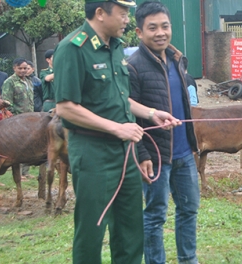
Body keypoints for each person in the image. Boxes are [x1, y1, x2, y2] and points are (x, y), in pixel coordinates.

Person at [52, 1, 181, 263]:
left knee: (130, 228)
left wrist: (151, 113)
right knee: (92, 229)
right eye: (122, 14)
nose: (126, 20)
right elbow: (66, 107)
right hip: (92, 151)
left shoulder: (116, 46)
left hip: (125, 151)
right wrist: (116, 128)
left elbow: (120, 100)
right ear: (100, 13)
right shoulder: (73, 48)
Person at [127, 2, 200, 264]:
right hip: (156, 154)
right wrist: (142, 152)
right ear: (139, 32)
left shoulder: (178, 59)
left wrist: (192, 144)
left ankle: (188, 259)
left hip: (184, 152)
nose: (160, 32)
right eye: (152, 28)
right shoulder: (133, 65)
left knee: (189, 209)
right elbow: (129, 113)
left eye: (165, 26)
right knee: (155, 215)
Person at [2, 58, 34, 178]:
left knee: (28, 144)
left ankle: (26, 172)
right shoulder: (9, 82)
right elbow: (7, 102)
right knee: (18, 146)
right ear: (14, 68)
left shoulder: (29, 81)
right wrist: (15, 116)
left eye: (25, 68)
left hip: (29, 119)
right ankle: (18, 173)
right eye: (20, 68)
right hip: (17, 120)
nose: (23, 70)